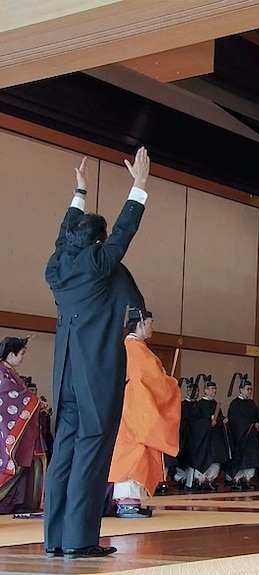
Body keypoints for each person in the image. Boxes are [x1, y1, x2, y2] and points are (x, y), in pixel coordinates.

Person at [43, 149, 150, 559]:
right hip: (96, 375)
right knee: (91, 451)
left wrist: (79, 192)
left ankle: (55, 540)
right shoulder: (99, 263)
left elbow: (63, 235)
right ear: (99, 243)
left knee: (63, 456)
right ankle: (80, 540)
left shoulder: (57, 267)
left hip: (65, 373)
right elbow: (125, 231)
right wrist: (139, 185)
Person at [108, 309, 181, 518]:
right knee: (134, 455)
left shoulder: (129, 348)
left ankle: (131, 502)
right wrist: (170, 383)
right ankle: (127, 503)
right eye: (150, 323)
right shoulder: (136, 350)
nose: (152, 327)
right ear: (139, 324)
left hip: (129, 409)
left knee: (134, 454)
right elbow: (152, 381)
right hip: (136, 411)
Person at [0, 337, 47, 514]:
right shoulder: (2, 372)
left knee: (30, 463)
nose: (23, 358)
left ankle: (21, 503)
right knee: (14, 462)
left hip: (23, 427)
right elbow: (7, 395)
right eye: (21, 354)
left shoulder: (8, 371)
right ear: (11, 354)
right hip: (7, 428)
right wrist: (33, 401)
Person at [185, 379, 229, 491]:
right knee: (202, 458)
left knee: (215, 460)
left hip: (214, 439)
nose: (214, 391)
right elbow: (194, 422)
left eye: (215, 389)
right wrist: (208, 422)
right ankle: (200, 480)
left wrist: (222, 420)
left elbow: (219, 418)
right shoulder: (200, 404)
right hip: (202, 440)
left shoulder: (215, 404)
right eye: (211, 389)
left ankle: (210, 480)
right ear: (205, 390)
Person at [225, 378, 259, 490]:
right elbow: (235, 421)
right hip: (240, 437)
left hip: (251, 438)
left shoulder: (251, 404)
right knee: (239, 459)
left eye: (250, 389)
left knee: (251, 459)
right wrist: (247, 425)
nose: (249, 391)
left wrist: (257, 423)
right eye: (247, 389)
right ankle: (236, 479)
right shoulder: (235, 404)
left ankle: (247, 480)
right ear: (240, 390)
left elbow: (258, 416)